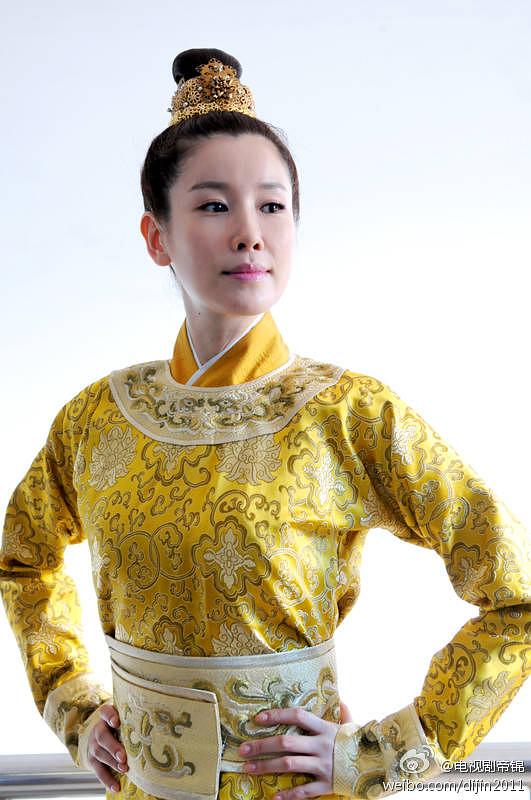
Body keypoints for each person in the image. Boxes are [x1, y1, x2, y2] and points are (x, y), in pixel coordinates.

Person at [0, 46, 529, 800]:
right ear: (156, 236)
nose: (250, 232)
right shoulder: (95, 420)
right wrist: (71, 705)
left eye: (272, 206)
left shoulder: (349, 414)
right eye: (214, 206)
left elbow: (517, 593)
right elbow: (22, 560)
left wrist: (385, 753)